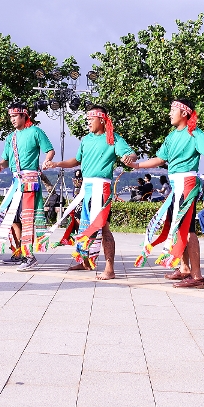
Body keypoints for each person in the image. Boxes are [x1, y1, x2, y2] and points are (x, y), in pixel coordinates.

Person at [132, 98, 204, 290]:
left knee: (188, 230)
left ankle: (197, 276)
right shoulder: (171, 137)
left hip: (187, 185)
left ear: (184, 113)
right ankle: (184, 268)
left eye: (172, 109)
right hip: (176, 185)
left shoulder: (195, 133)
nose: (169, 113)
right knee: (177, 226)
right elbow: (159, 158)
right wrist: (137, 165)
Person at [43, 104, 136, 279]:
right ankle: (85, 262)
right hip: (86, 188)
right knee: (81, 224)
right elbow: (76, 161)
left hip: (101, 188)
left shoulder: (113, 139)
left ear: (101, 120)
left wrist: (128, 158)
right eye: (87, 119)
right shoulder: (85, 140)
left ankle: (110, 268)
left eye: (90, 119)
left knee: (103, 228)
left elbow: (131, 155)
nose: (87, 122)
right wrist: (56, 164)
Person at [0, 102, 55, 271]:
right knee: (12, 218)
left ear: (24, 115)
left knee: (27, 219)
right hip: (16, 183)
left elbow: (49, 150)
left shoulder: (35, 131)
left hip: (29, 180)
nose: (12, 119)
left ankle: (30, 257)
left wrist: (48, 160)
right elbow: (6, 160)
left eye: (15, 116)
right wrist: (0, 166)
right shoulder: (11, 137)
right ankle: (20, 253)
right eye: (11, 117)